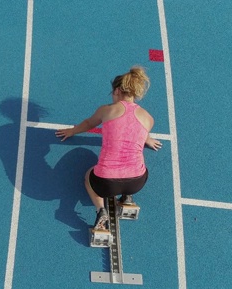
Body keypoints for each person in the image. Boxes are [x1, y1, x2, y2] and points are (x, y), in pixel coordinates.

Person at [55, 66, 162, 230]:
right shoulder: (148, 118)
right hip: (137, 183)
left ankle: (100, 210)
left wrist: (72, 131)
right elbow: (138, 130)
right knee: (138, 166)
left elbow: (89, 124)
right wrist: (147, 139)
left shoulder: (106, 110)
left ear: (117, 91)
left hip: (106, 183)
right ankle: (127, 198)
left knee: (87, 177)